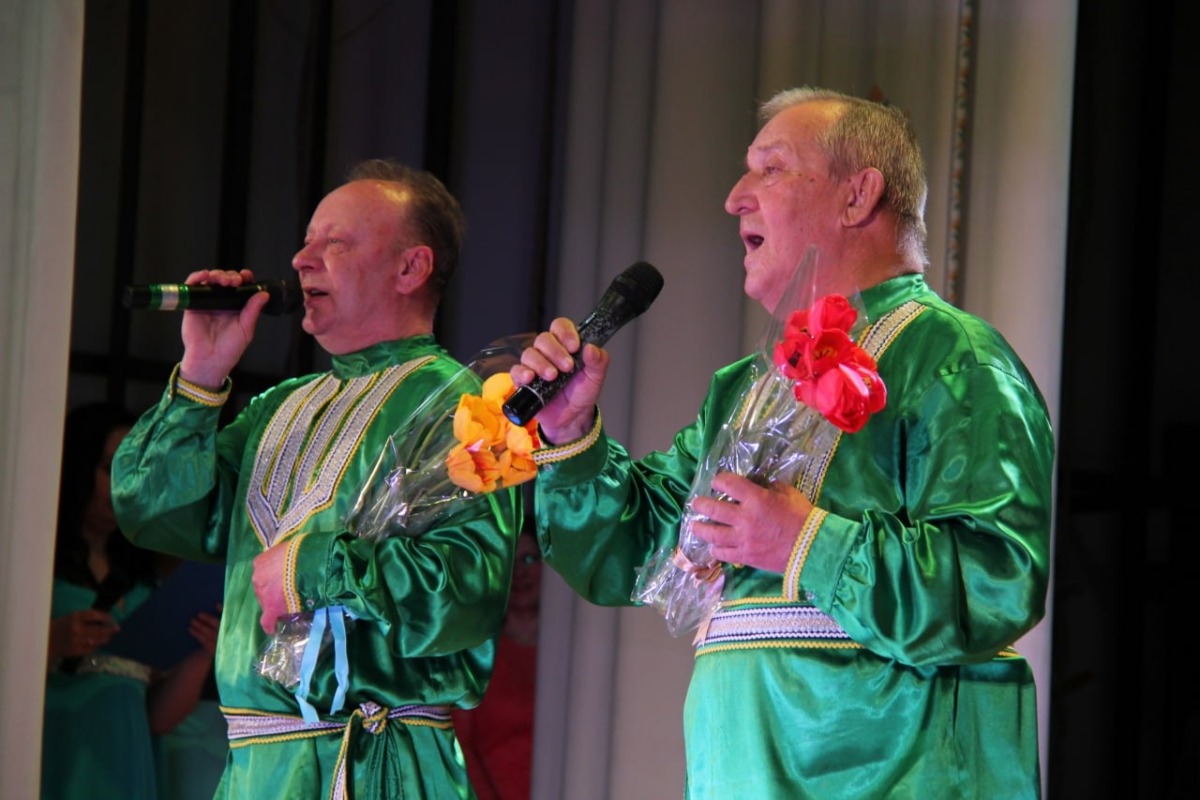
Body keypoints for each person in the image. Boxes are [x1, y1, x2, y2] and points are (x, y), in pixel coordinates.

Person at [512, 86, 1054, 799]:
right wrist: (569, 431)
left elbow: (995, 581)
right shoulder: (748, 387)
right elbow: (635, 556)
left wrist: (806, 542)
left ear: (858, 196)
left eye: (770, 169)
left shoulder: (955, 359)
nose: (735, 198)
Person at [111, 159, 522, 799]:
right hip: (255, 766)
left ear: (411, 268)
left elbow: (466, 596)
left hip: (372, 763)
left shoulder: (461, 405)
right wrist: (201, 373)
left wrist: (311, 567)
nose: (302, 261)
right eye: (306, 242)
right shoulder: (281, 405)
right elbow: (152, 511)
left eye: (335, 243)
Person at [43, 402, 220, 800]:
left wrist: (200, 653)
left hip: (129, 763)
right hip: (61, 751)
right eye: (110, 468)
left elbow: (158, 719)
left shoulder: (142, 581)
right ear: (78, 468)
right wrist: (50, 642)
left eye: (134, 472)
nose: (122, 484)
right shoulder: (33, 569)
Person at [451, 521, 541, 800]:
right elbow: (461, 744)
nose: (520, 572)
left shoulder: (574, 660)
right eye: (509, 562)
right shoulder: (478, 654)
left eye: (530, 559)